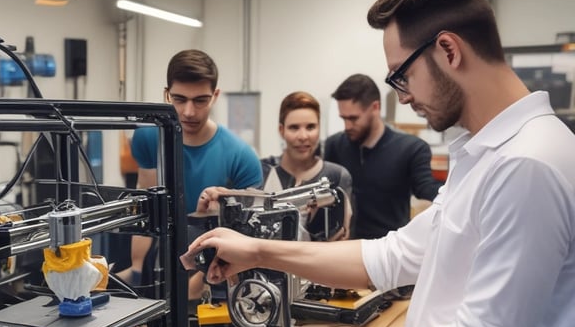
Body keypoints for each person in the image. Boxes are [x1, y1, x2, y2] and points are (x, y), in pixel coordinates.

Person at [186, 0, 575, 327]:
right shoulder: (485, 153)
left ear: (449, 50)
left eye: (402, 75)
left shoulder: (526, 165)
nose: (403, 94)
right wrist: (258, 250)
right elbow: (390, 255)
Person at [120, 49, 262, 287]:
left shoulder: (241, 157)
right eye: (179, 99)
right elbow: (146, 209)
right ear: (166, 95)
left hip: (218, 270)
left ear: (215, 96)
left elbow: (248, 238)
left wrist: (203, 281)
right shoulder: (146, 139)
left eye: (200, 100)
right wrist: (136, 270)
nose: (189, 112)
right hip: (162, 262)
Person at [199, 90, 353, 242]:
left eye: (311, 127)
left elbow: (342, 238)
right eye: (294, 127)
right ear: (281, 130)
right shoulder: (259, 170)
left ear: (319, 129)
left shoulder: (337, 176)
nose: (303, 136)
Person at [324, 73, 442, 239]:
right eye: (343, 118)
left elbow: (426, 189)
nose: (347, 126)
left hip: (387, 251)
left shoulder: (411, 148)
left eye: (353, 118)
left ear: (375, 108)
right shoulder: (334, 145)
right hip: (344, 247)